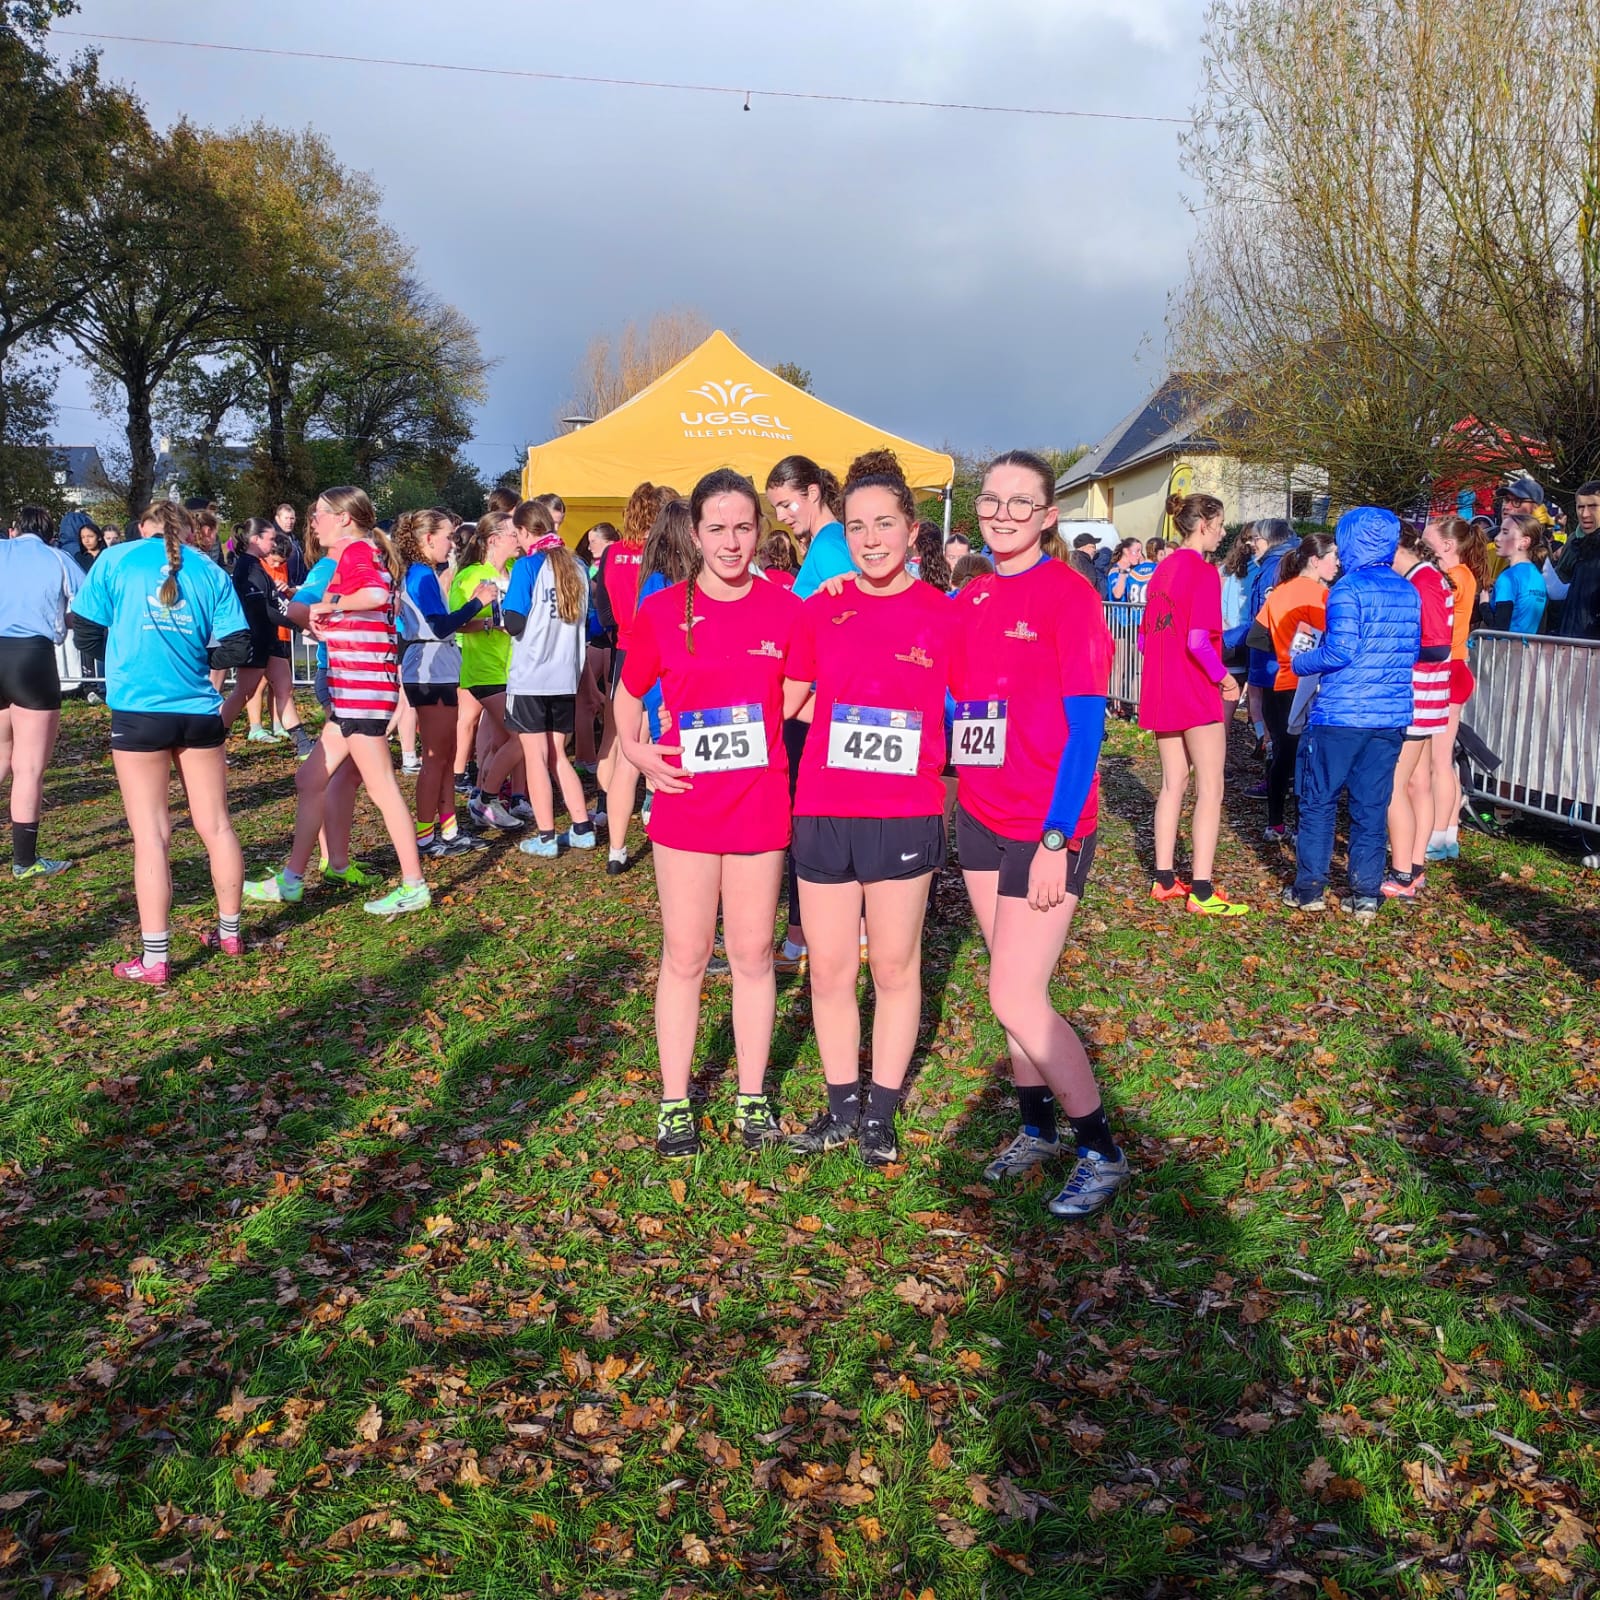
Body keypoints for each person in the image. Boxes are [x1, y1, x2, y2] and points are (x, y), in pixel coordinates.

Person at [948, 450, 1126, 1217]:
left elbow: (1087, 730)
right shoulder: (973, 595)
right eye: (992, 500)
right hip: (980, 814)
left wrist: (1058, 838)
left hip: (1045, 825)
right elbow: (951, 695)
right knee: (1011, 989)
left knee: (1015, 994)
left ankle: (1101, 1150)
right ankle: (1036, 1129)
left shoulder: (1069, 596)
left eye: (1021, 502)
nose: (1002, 514)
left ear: (1048, 516)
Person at [614, 468, 802, 1158]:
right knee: (687, 954)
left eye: (744, 527)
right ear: (694, 534)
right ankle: (675, 1103)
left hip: (758, 804)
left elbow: (799, 690)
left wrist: (759, 729)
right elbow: (627, 694)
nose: (731, 542)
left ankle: (752, 1097)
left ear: (760, 530)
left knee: (752, 955)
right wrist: (636, 752)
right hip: (686, 803)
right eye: (717, 528)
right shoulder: (664, 609)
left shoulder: (786, 608)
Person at [779, 451, 956, 1166]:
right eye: (856, 527)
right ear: (842, 533)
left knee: (892, 965)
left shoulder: (942, 615)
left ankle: (880, 1114)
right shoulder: (820, 608)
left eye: (885, 524)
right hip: (823, 807)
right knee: (828, 970)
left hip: (904, 813)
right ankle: (840, 1107)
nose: (871, 539)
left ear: (913, 531)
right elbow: (786, 699)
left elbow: (973, 709)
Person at [70, 502, 252, 979]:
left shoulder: (115, 559)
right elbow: (237, 646)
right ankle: (230, 934)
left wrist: (124, 654)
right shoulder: (210, 570)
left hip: (138, 711)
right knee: (217, 826)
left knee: (151, 836)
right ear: (189, 531)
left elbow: (84, 633)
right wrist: (195, 659)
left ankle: (155, 958)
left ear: (142, 527)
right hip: (198, 711)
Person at [243, 487, 431, 916]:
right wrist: (329, 620)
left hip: (363, 692)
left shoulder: (357, 551)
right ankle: (291, 881)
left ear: (345, 518)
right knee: (310, 779)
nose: (313, 522)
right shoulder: (356, 552)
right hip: (351, 690)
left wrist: (329, 605)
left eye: (320, 514)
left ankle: (414, 885)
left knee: (382, 787)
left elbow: (376, 596)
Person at [1284, 506, 1420, 920]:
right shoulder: (1407, 590)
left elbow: (1340, 651)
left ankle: (1309, 888)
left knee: (1319, 800)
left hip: (1342, 713)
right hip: (1389, 714)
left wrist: (1301, 660)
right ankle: (1365, 893)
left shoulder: (1347, 590)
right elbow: (1410, 650)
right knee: (1371, 805)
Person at [1138, 492, 1247, 915]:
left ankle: (1164, 878)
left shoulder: (1160, 571)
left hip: (1162, 688)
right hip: (1195, 689)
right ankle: (1202, 890)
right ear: (1204, 524)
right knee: (1211, 787)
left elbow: (1145, 640)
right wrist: (1225, 679)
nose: (1222, 533)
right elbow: (1198, 641)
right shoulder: (1202, 572)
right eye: (1219, 526)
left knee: (1172, 783)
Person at [765, 455, 850, 971]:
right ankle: (810, 933)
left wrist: (824, 700)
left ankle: (803, 938)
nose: (781, 516)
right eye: (775, 507)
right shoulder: (822, 545)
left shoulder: (832, 545)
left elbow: (853, 626)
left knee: (809, 821)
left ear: (813, 492)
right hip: (810, 705)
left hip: (814, 709)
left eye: (786, 504)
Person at [477, 498, 597, 858]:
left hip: (531, 675)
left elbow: (514, 621)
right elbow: (588, 623)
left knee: (535, 757)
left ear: (524, 531)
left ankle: (546, 836)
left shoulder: (528, 566)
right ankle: (582, 828)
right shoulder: (576, 565)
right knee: (558, 755)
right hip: (565, 674)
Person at [396, 508, 496, 858]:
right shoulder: (422, 575)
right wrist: (477, 603)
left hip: (438, 668)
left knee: (447, 755)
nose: (452, 544)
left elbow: (441, 624)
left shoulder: (424, 573)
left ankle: (449, 830)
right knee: (436, 758)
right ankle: (426, 836)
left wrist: (477, 619)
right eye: (448, 537)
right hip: (428, 671)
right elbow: (439, 626)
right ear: (427, 539)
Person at [1, 505, 84, 879]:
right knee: (29, 767)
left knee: (1, 754)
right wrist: (63, 620)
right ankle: (24, 861)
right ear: (51, 534)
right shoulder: (58, 558)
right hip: (31, 656)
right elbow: (88, 606)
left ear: (14, 530)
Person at [1247, 532, 1336, 843]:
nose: (1338, 564)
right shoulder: (1320, 596)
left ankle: (1275, 824)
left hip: (1278, 684)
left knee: (1281, 756)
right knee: (1304, 759)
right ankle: (1301, 828)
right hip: (1307, 687)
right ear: (1316, 560)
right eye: (1333, 556)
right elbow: (1329, 641)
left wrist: (1283, 647)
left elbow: (1256, 637)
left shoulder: (1280, 591)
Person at [599, 482, 669, 873]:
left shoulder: (612, 552)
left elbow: (603, 609)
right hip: (657, 653)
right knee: (658, 739)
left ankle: (615, 846)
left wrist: (619, 631)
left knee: (621, 745)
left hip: (625, 652)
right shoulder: (663, 557)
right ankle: (653, 812)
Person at [1382, 526, 1453, 899]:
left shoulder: (1422, 582)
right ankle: (1414, 865)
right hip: (1427, 693)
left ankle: (1403, 872)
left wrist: (1390, 649)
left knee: (1393, 783)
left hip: (1418, 693)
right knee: (1417, 782)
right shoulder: (1425, 577)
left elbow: (1437, 646)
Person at [449, 511, 524, 831]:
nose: (519, 538)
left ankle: (482, 797)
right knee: (523, 736)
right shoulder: (471, 576)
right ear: (494, 540)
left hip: (515, 668)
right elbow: (456, 622)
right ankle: (486, 800)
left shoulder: (515, 570)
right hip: (485, 669)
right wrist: (490, 623)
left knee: (498, 741)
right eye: (513, 533)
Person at [1421, 514, 1488, 862]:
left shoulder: (1456, 576)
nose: (1421, 548)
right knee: (1442, 760)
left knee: (1439, 761)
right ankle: (1446, 834)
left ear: (1447, 545)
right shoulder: (1462, 575)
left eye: (1426, 544)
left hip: (1449, 669)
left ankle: (1438, 835)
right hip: (1454, 667)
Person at [218, 518, 315, 759]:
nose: (274, 544)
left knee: (284, 688)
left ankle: (303, 744)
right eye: (271, 539)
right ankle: (211, 741)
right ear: (256, 539)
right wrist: (300, 627)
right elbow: (262, 610)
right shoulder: (247, 568)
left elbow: (273, 605)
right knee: (243, 692)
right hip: (256, 639)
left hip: (269, 639)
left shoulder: (258, 566)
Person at [1547, 480, 1600, 639]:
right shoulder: (1573, 542)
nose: (1585, 514)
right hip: (1571, 635)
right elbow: (1561, 581)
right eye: (1580, 507)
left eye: (1593, 506)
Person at [1489, 513, 1548, 634]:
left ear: (1524, 542)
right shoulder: (1538, 576)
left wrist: (1483, 604)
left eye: (1505, 532)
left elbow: (1500, 627)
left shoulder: (1508, 577)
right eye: (1500, 531)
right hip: (1528, 645)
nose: (1497, 538)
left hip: (1506, 644)